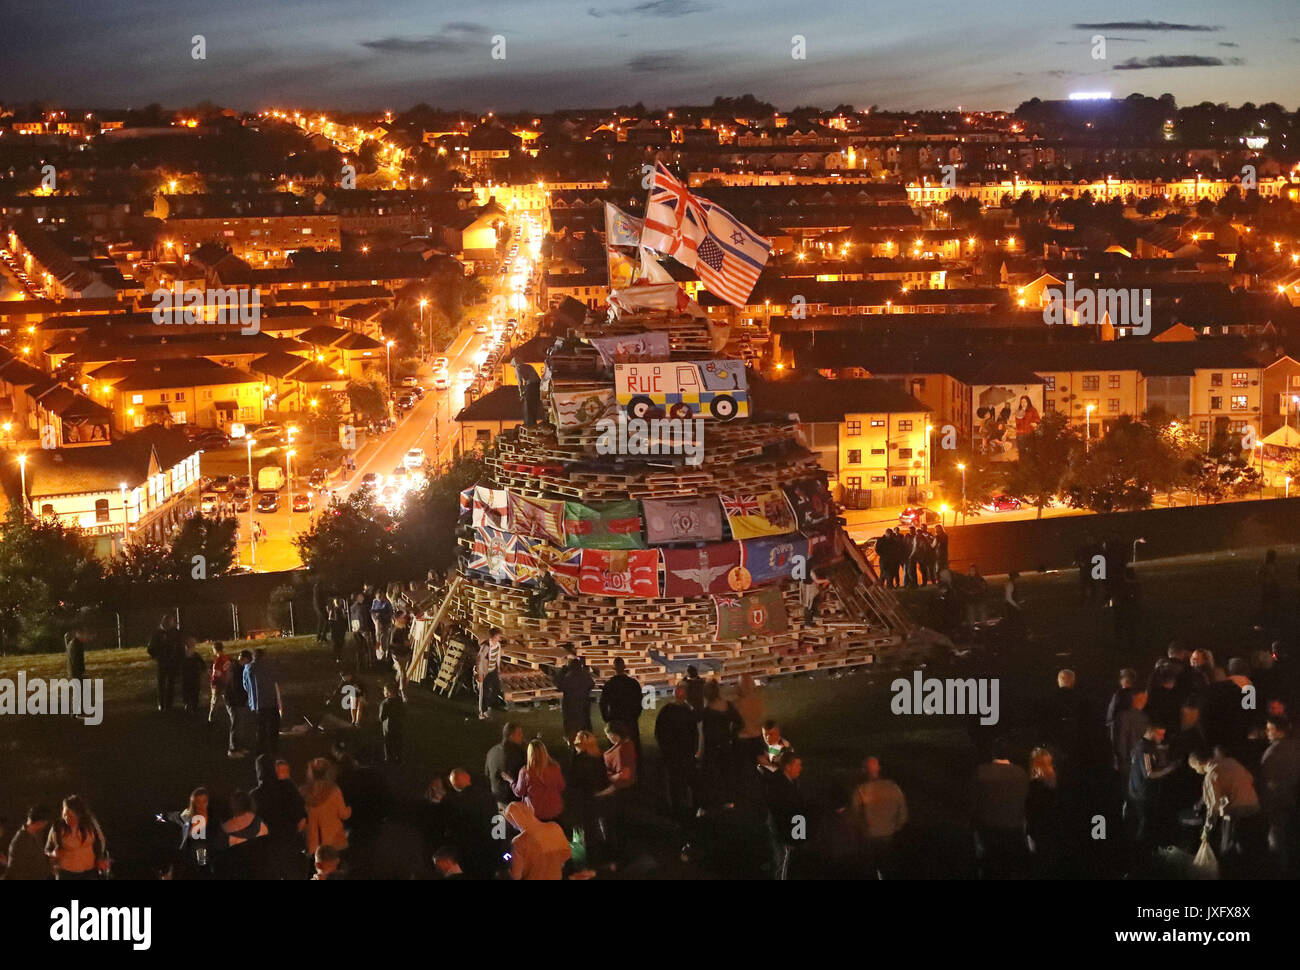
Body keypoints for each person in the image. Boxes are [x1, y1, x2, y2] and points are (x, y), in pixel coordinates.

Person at [1189, 746, 1261, 861]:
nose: (1196, 771)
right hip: (1254, 808)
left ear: (1198, 763)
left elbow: (1213, 808)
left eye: (1194, 768)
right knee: (1250, 848)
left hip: (1235, 814)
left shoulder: (1211, 776)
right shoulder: (1231, 762)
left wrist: (1207, 830)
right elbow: (1250, 778)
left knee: (1228, 850)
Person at [973, 741, 1029, 879]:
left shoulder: (981, 771)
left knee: (989, 868)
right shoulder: (1021, 773)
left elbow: (973, 800)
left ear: (992, 752)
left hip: (988, 828)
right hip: (1013, 828)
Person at [845, 756, 907, 879]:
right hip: (889, 837)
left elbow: (854, 817)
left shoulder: (861, 791)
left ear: (863, 770)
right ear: (879, 768)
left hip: (869, 838)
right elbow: (903, 815)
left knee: (870, 870)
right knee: (888, 868)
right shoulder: (893, 787)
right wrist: (893, 828)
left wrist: (864, 829)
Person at [252, 755, 307, 880]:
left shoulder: (255, 796)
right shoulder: (288, 787)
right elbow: (302, 816)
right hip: (290, 844)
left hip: (268, 850)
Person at [1125, 721, 1176, 849]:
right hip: (1141, 794)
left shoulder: (1143, 745)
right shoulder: (1144, 749)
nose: (1162, 737)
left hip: (1137, 791)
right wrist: (1169, 769)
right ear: (1152, 731)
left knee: (1141, 822)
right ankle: (1140, 851)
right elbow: (1149, 773)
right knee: (1144, 823)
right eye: (1160, 734)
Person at [1259, 715, 1300, 875]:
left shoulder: (1271, 753)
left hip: (1277, 803)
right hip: (1293, 801)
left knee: (1278, 842)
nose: (1267, 732)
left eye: (1270, 729)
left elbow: (1265, 782)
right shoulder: (1296, 748)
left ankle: (1281, 873)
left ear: (1280, 732)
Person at [655, 685, 700, 818]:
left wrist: (663, 748)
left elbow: (658, 732)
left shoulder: (666, 711)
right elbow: (695, 734)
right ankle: (689, 806)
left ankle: (675, 807)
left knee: (673, 781)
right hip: (685, 753)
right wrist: (694, 750)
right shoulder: (689, 712)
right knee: (687, 780)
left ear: (675, 694)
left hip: (672, 753)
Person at [697, 680, 740, 813]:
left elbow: (700, 731)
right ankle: (729, 800)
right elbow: (739, 722)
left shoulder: (705, 712)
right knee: (727, 772)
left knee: (709, 774)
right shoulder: (728, 706)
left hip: (711, 747)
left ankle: (708, 804)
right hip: (725, 744)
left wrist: (699, 750)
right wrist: (732, 736)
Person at [45, 796, 108, 880]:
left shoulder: (90, 824)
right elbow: (47, 850)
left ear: (79, 814)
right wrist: (54, 854)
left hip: (89, 872)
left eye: (70, 815)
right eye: (65, 814)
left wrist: (100, 858)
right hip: (67, 873)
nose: (67, 818)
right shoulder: (58, 827)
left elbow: (101, 841)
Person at [504, 800, 570, 880]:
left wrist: (507, 864)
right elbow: (566, 855)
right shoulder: (555, 827)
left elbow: (516, 875)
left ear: (515, 821)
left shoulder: (519, 841)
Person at [302, 757, 352, 862]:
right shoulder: (334, 790)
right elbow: (343, 814)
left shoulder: (304, 792)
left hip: (313, 841)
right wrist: (349, 809)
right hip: (333, 839)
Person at [764, 751, 804, 880]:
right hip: (780, 830)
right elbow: (782, 810)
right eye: (797, 765)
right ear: (788, 766)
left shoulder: (790, 782)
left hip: (786, 829)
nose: (800, 768)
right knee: (781, 861)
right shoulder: (780, 785)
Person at [511, 739, 566, 822]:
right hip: (554, 811)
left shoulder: (525, 772)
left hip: (535, 814)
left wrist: (511, 782)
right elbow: (561, 786)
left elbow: (519, 792)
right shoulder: (555, 768)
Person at [599, 657, 644, 752]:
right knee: (633, 747)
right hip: (630, 718)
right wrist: (635, 715)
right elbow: (639, 701)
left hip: (615, 718)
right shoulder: (633, 683)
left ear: (613, 668)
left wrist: (607, 719)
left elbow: (603, 703)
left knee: (616, 747)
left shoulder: (610, 684)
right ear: (625, 667)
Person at [243, 649, 282, 756]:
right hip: (271, 700)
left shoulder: (248, 668)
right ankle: (274, 748)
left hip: (257, 702)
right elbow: (276, 681)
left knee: (261, 727)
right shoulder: (270, 667)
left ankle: (261, 750)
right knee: (273, 725)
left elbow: (245, 685)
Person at [550, 652, 596, 739]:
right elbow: (592, 684)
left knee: (572, 733)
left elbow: (557, 682)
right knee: (585, 734)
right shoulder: (585, 678)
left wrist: (564, 669)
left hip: (571, 711)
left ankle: (573, 744)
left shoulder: (568, 680)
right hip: (583, 711)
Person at [484, 722, 527, 811]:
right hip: (513, 799)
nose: (522, 736)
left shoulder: (492, 751)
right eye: (519, 734)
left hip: (498, 798)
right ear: (511, 736)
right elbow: (524, 777)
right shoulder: (518, 753)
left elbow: (487, 773)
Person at [3, 806, 54, 880]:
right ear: (40, 822)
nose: (45, 826)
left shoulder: (36, 834)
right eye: (45, 823)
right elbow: (17, 871)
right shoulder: (20, 841)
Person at [147, 613, 184, 711]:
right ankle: (163, 703)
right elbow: (151, 648)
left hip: (171, 661)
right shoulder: (159, 633)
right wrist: (157, 656)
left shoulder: (174, 633)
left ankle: (167, 704)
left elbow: (180, 647)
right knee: (163, 683)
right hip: (164, 661)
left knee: (170, 683)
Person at [476, 628, 504, 720]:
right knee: (484, 692)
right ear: (495, 636)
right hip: (485, 671)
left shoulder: (498, 645)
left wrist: (498, 669)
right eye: (499, 635)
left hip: (493, 670)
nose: (500, 637)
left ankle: (488, 707)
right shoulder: (486, 646)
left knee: (497, 689)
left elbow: (498, 657)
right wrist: (480, 673)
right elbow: (479, 659)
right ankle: (482, 712)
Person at [379, 684, 405, 764]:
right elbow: (404, 713)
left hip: (388, 726)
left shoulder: (385, 703)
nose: (384, 692)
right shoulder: (400, 701)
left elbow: (381, 717)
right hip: (399, 725)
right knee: (398, 742)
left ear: (388, 692)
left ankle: (388, 758)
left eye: (385, 690)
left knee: (388, 742)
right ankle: (399, 758)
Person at [389, 616, 412, 702]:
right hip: (397, 654)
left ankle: (394, 689)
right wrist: (403, 644)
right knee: (403, 673)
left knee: (400, 673)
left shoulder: (404, 629)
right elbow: (391, 644)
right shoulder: (395, 630)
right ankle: (403, 692)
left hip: (404, 654)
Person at [208, 642, 232, 723]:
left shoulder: (218, 660)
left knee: (214, 702)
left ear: (215, 649)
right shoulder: (227, 658)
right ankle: (232, 716)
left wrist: (213, 683)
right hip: (226, 682)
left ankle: (211, 720)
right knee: (227, 702)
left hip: (218, 684)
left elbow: (216, 673)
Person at [180, 638, 205, 713]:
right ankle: (191, 704)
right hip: (191, 676)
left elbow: (202, 665)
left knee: (191, 690)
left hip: (191, 676)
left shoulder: (189, 655)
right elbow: (202, 665)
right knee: (191, 691)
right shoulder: (194, 655)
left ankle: (190, 704)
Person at [349, 593, 373, 672]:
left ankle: (359, 666)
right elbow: (364, 618)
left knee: (359, 648)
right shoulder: (363, 607)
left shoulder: (352, 607)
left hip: (356, 629)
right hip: (363, 629)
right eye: (361, 597)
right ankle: (368, 665)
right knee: (366, 648)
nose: (363, 598)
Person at [370, 589, 393, 659]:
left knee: (384, 638)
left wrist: (383, 618)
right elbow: (372, 612)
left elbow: (390, 613)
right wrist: (375, 621)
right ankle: (378, 655)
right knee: (377, 638)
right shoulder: (374, 602)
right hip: (377, 623)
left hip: (385, 623)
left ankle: (384, 655)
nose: (379, 598)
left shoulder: (387, 603)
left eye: (381, 596)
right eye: (378, 596)